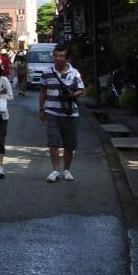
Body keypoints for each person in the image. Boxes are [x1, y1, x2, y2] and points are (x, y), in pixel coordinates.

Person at [39, 44, 86, 182]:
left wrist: (71, 95)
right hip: (51, 112)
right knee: (53, 142)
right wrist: (41, 109)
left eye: (61, 56)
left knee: (69, 144)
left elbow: (81, 89)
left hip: (70, 113)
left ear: (67, 58)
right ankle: (55, 170)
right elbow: (42, 91)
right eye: (55, 56)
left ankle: (66, 170)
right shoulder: (46, 72)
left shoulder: (74, 73)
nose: (58, 58)